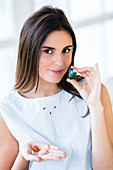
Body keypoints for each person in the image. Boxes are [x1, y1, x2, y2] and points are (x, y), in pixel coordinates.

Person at [0, 6, 113, 170]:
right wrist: (23, 157)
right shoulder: (9, 111)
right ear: (29, 51)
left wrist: (95, 107)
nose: (60, 62)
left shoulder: (94, 93)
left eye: (66, 50)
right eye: (48, 51)